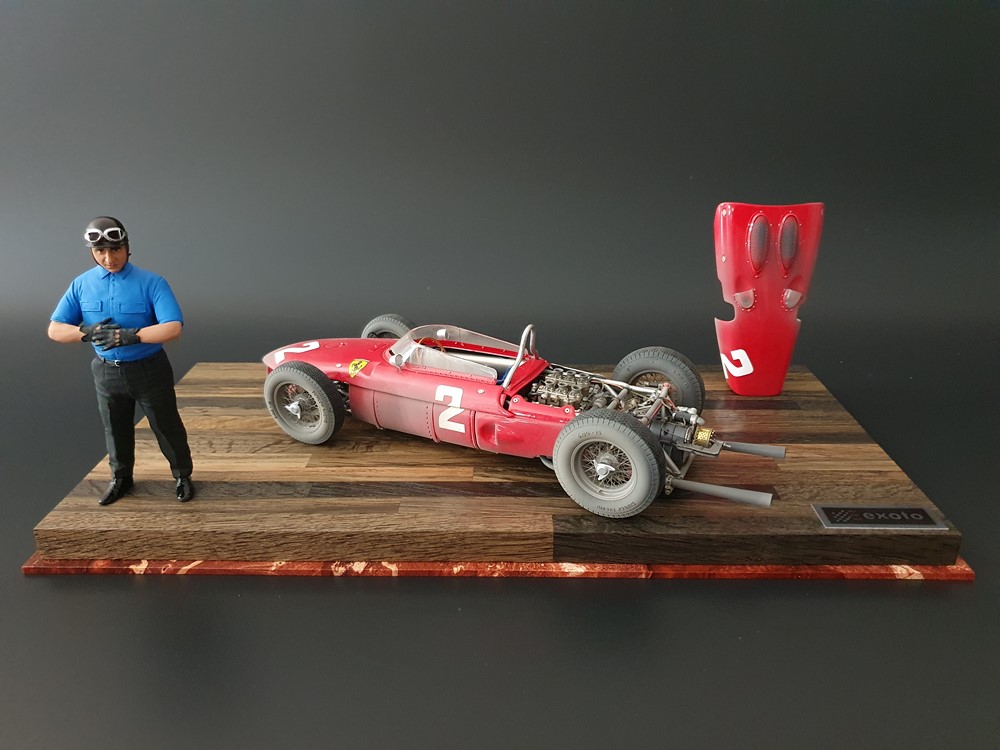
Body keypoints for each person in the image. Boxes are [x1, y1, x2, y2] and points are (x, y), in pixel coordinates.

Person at [48, 216, 195, 505]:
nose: (109, 258)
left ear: (127, 248)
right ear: (92, 252)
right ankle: (121, 478)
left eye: (115, 249)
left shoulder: (152, 282)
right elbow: (55, 329)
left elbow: (173, 327)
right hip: (107, 372)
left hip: (149, 368)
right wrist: (85, 332)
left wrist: (134, 335)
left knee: (166, 425)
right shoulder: (81, 284)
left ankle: (182, 475)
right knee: (114, 428)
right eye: (100, 251)